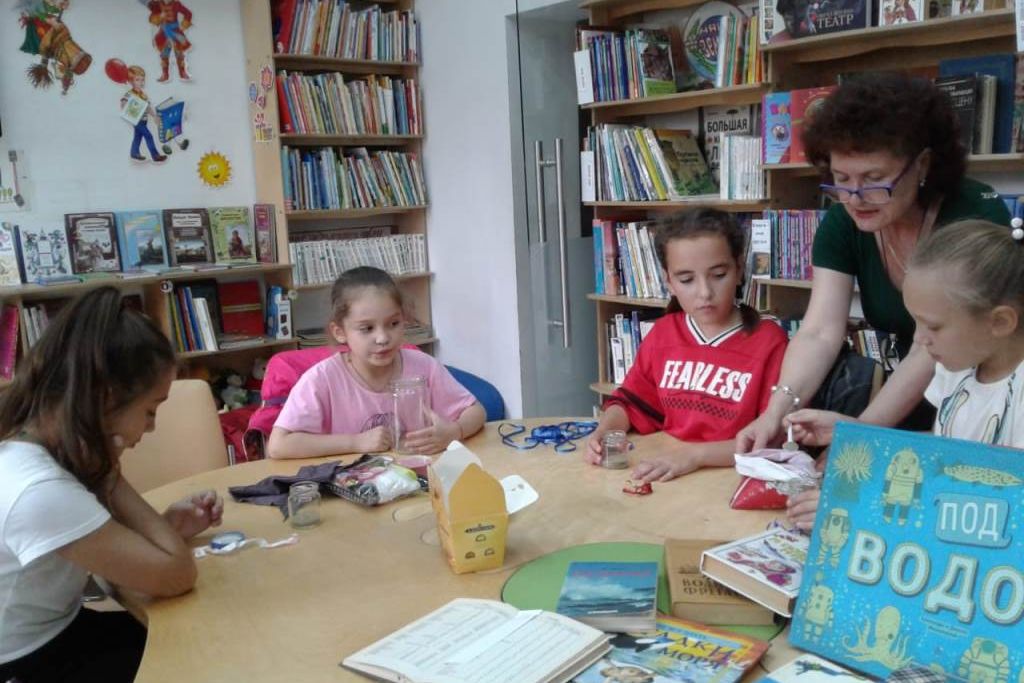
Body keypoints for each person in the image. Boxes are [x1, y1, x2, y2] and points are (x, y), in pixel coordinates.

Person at [737, 72, 1011, 454]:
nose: (855, 197)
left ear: (922, 165)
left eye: (874, 179)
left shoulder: (971, 214)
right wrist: (776, 410)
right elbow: (819, 331)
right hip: (910, 395)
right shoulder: (843, 222)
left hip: (985, 400)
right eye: (841, 179)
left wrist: (859, 435)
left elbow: (927, 346)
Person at [0, 287, 223, 682]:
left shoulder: (40, 444)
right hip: (26, 663)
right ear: (105, 398)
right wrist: (110, 472)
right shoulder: (41, 488)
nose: (151, 428)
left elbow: (107, 563)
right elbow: (177, 575)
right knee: (208, 661)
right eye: (150, 410)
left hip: (59, 630)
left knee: (202, 641)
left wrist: (167, 527)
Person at [786, 220, 1024, 529]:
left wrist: (861, 508)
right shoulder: (959, 367)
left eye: (933, 326)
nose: (920, 339)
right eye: (916, 323)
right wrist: (858, 434)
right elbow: (947, 446)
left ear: (1000, 322)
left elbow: (1005, 504)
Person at [584, 209, 788, 482]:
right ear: (668, 281)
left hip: (733, 478)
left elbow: (771, 439)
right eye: (687, 280)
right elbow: (630, 403)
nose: (705, 292)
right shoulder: (663, 334)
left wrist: (694, 456)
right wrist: (605, 431)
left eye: (718, 274)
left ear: (739, 269)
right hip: (671, 472)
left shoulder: (770, 341)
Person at [268, 267, 486, 458]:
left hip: (420, 477)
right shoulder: (321, 379)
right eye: (367, 328)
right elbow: (278, 446)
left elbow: (476, 411)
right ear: (340, 332)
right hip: (353, 485)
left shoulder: (424, 366)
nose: (382, 338)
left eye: (394, 323)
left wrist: (453, 432)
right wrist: (355, 442)